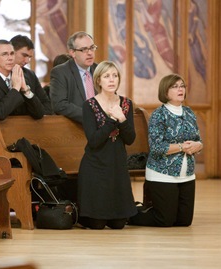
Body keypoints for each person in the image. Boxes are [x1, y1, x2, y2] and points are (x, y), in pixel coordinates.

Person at [128, 73, 203, 227]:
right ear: (165, 91)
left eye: (182, 86)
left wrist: (198, 146)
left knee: (184, 222)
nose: (180, 89)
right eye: (174, 87)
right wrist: (182, 147)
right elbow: (156, 147)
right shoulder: (158, 115)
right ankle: (128, 214)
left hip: (187, 175)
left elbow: (198, 140)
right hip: (162, 174)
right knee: (165, 220)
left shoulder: (189, 113)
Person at [77, 61, 137, 229]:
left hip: (117, 165)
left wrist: (122, 119)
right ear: (98, 81)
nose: (112, 80)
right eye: (106, 76)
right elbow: (94, 141)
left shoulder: (126, 104)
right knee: (97, 224)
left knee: (119, 224)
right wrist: (111, 120)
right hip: (95, 165)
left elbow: (130, 139)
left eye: (115, 75)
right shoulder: (89, 105)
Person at [0, 39, 51, 161]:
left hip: (21, 141)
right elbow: (0, 112)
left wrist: (25, 90)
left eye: (12, 54)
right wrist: (15, 88)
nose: (10, 58)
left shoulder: (24, 76)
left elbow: (39, 113)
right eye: (5, 54)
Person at [49, 31, 98, 124]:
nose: (90, 53)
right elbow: (60, 104)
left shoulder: (100, 70)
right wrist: (90, 117)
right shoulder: (61, 72)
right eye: (84, 49)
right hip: (74, 129)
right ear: (72, 52)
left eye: (92, 48)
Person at [10, 34, 53, 115]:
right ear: (12, 52)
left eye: (29, 57)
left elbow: (47, 107)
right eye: (24, 55)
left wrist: (27, 91)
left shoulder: (30, 75)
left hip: (31, 124)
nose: (27, 61)